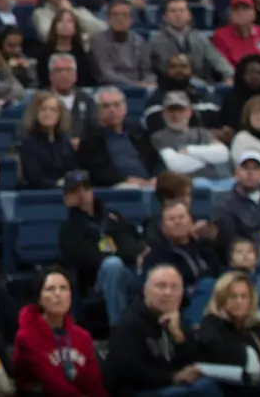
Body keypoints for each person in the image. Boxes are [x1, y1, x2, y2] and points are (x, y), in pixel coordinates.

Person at [105, 264, 217, 397]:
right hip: (140, 390)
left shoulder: (177, 321)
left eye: (174, 287)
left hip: (170, 387)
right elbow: (129, 372)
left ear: (181, 293)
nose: (167, 293)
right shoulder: (129, 324)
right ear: (146, 290)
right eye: (161, 286)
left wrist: (179, 336)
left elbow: (196, 363)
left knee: (207, 385)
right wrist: (172, 378)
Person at [57, 170, 142, 322]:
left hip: (128, 271)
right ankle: (119, 328)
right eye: (75, 191)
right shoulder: (69, 228)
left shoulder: (112, 216)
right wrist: (115, 253)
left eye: (85, 188)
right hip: (95, 281)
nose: (82, 194)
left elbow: (131, 242)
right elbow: (84, 257)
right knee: (112, 265)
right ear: (66, 198)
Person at [12, 267, 106, 397]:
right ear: (39, 299)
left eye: (63, 288)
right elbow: (53, 385)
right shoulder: (26, 337)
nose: (58, 294)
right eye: (50, 289)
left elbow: (94, 384)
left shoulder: (82, 337)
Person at [193, 272, 260, 392]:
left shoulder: (254, 325)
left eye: (244, 296)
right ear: (221, 299)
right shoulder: (211, 324)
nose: (239, 301)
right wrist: (228, 323)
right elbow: (223, 358)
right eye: (233, 296)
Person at [77, 88, 163, 188]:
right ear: (97, 110)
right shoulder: (90, 138)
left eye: (116, 105)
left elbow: (156, 160)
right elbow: (99, 171)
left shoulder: (138, 132)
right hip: (117, 185)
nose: (112, 110)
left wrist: (156, 177)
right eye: (106, 106)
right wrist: (126, 180)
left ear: (125, 108)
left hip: (148, 183)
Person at [17, 91, 77, 189]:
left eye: (53, 110)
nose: (48, 113)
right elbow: (34, 177)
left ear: (60, 115)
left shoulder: (64, 141)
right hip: (39, 195)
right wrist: (58, 184)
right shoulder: (29, 142)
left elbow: (72, 170)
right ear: (36, 113)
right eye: (43, 109)